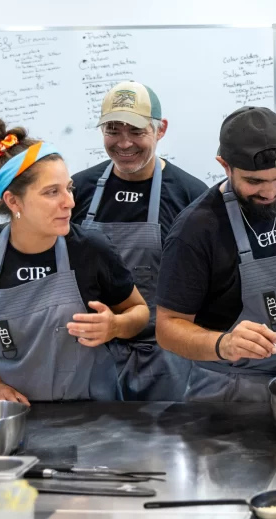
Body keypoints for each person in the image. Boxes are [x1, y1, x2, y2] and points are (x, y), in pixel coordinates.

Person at [154, 106, 276, 402]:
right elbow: (167, 328)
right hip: (227, 392)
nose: (270, 192)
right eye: (254, 182)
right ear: (225, 165)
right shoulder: (197, 229)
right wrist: (224, 343)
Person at [0, 119, 149, 404]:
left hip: (91, 415)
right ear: (13, 202)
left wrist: (114, 325)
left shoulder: (89, 249)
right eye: (52, 192)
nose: (70, 202)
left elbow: (139, 312)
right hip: (12, 413)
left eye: (69, 188)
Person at [71, 81, 207, 401]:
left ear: (161, 130)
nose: (124, 142)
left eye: (136, 131)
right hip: (91, 357)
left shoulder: (192, 197)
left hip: (167, 360)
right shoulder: (76, 191)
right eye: (113, 130)